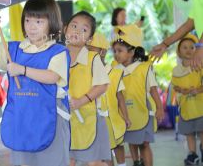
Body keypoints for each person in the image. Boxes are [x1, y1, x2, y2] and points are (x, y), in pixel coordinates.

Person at [0, 0, 70, 166]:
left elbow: (51, 77)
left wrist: (22, 70)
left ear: (51, 22)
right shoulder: (14, 49)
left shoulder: (58, 51)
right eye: (28, 20)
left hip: (49, 118)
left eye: (39, 22)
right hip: (22, 120)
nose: (31, 27)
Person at [112, 24, 164, 166]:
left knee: (144, 144)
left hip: (143, 110)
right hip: (125, 112)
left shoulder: (144, 68)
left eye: (120, 51)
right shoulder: (114, 69)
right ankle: (136, 162)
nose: (116, 54)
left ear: (132, 52)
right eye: (114, 51)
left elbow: (153, 89)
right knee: (132, 141)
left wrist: (159, 108)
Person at [65, 11, 110, 166]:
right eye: (74, 26)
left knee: (94, 162)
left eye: (84, 29)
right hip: (66, 120)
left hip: (90, 119)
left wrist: (81, 101)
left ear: (89, 39)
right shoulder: (56, 56)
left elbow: (102, 85)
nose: (77, 31)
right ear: (65, 29)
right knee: (67, 160)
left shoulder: (93, 58)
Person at [87, 32, 130, 166]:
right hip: (95, 121)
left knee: (117, 145)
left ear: (103, 52)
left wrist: (126, 117)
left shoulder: (115, 73)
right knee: (104, 151)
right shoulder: (86, 74)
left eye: (91, 50)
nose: (87, 53)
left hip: (113, 120)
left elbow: (120, 97)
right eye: (86, 50)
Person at [171, 34, 203, 165]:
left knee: (202, 131)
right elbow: (175, 86)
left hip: (200, 107)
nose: (189, 50)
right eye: (185, 47)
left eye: (192, 47)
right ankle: (192, 154)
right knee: (189, 133)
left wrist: (199, 90)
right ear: (179, 52)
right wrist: (182, 90)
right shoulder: (176, 70)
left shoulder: (200, 66)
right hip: (186, 108)